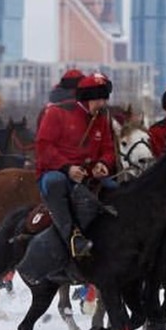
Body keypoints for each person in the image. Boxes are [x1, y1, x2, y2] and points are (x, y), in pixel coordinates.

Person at [35, 73, 118, 258]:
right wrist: (67, 168)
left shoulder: (101, 118)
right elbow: (44, 147)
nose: (102, 104)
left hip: (87, 175)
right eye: (98, 100)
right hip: (54, 173)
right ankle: (72, 236)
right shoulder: (57, 112)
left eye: (104, 99)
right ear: (86, 98)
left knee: (116, 189)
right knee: (56, 182)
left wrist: (103, 164)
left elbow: (108, 148)